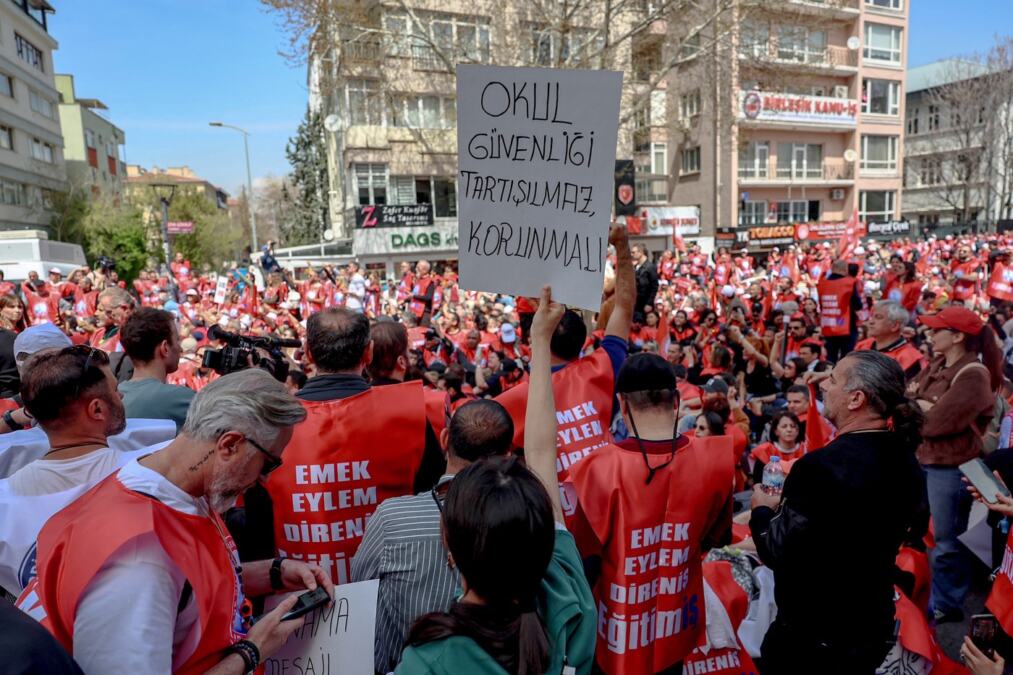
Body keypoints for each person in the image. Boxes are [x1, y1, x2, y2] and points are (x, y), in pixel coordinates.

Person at [18, 369, 334, 675]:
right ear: (229, 445)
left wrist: (272, 573)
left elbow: (187, 590)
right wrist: (252, 652)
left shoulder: (172, 482)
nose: (265, 479)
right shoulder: (139, 563)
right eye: (269, 463)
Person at [397, 286, 596, 674]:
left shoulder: (428, 661)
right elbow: (541, 452)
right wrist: (541, 339)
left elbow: (540, 452)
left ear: (450, 550)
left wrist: (539, 339)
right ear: (545, 543)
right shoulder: (567, 582)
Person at [750, 350, 927, 673]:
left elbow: (778, 551)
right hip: (871, 625)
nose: (824, 387)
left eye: (833, 381)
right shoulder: (905, 457)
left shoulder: (819, 468)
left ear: (856, 398)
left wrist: (762, 512)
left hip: (813, 637)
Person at [568, 352, 734, 674]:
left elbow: (584, 561)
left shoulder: (597, 468)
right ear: (675, 401)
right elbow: (718, 536)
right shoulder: (715, 460)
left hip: (616, 632)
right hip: (675, 623)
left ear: (622, 402)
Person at [263, 307, 438, 585]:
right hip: (396, 592)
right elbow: (434, 501)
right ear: (367, 353)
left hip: (299, 601)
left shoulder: (268, 423)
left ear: (308, 354)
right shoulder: (410, 412)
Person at [352, 399, 515, 674]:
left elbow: (361, 589)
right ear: (507, 458)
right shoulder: (520, 523)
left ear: (444, 438)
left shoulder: (392, 519)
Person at [496, 225, 633, 504]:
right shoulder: (604, 365)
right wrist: (622, 247)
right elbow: (624, 306)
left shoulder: (517, 399)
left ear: (538, 338)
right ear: (583, 339)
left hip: (553, 521)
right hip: (609, 504)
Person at [0, 345, 132, 595]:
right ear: (96, 409)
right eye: (115, 390)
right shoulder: (148, 474)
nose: (121, 396)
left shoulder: (3, 502)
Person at [913, 305, 1004, 623]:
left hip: (950, 467)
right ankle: (931, 595)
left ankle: (946, 603)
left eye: (938, 329)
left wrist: (922, 406)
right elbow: (907, 398)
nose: (930, 333)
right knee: (928, 537)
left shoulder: (973, 374)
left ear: (957, 336)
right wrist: (922, 405)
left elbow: (932, 425)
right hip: (926, 461)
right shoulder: (939, 362)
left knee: (946, 541)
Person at [118, 308, 195, 430]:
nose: (180, 348)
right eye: (177, 340)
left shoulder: (113, 398)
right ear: (165, 348)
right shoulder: (183, 399)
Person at [854, 300, 923, 380]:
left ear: (895, 326)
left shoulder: (910, 357)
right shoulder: (862, 345)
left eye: (878, 317)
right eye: (872, 317)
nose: (871, 321)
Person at [818, 259, 862, 363]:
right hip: (846, 326)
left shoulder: (822, 283)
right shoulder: (849, 282)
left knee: (831, 357)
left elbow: (821, 304)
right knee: (846, 357)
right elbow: (857, 305)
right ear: (845, 269)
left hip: (828, 326)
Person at [749, 409, 806, 484]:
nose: (789, 430)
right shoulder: (765, 451)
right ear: (776, 431)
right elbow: (758, 481)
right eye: (784, 426)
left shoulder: (806, 450)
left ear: (798, 430)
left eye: (793, 426)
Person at [89, 286, 134, 353]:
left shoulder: (135, 334)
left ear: (124, 309)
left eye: (109, 311)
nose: (96, 313)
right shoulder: (99, 333)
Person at [0, 294, 26, 398]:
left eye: (20, 307)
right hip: (5, 391)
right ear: (1, 309)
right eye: (12, 307)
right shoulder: (2, 334)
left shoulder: (25, 332)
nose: (17, 310)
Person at [632, 243, 659, 324]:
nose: (632, 254)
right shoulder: (635, 266)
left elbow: (654, 286)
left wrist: (649, 303)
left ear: (641, 252)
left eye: (634, 252)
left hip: (645, 303)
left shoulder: (650, 267)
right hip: (636, 302)